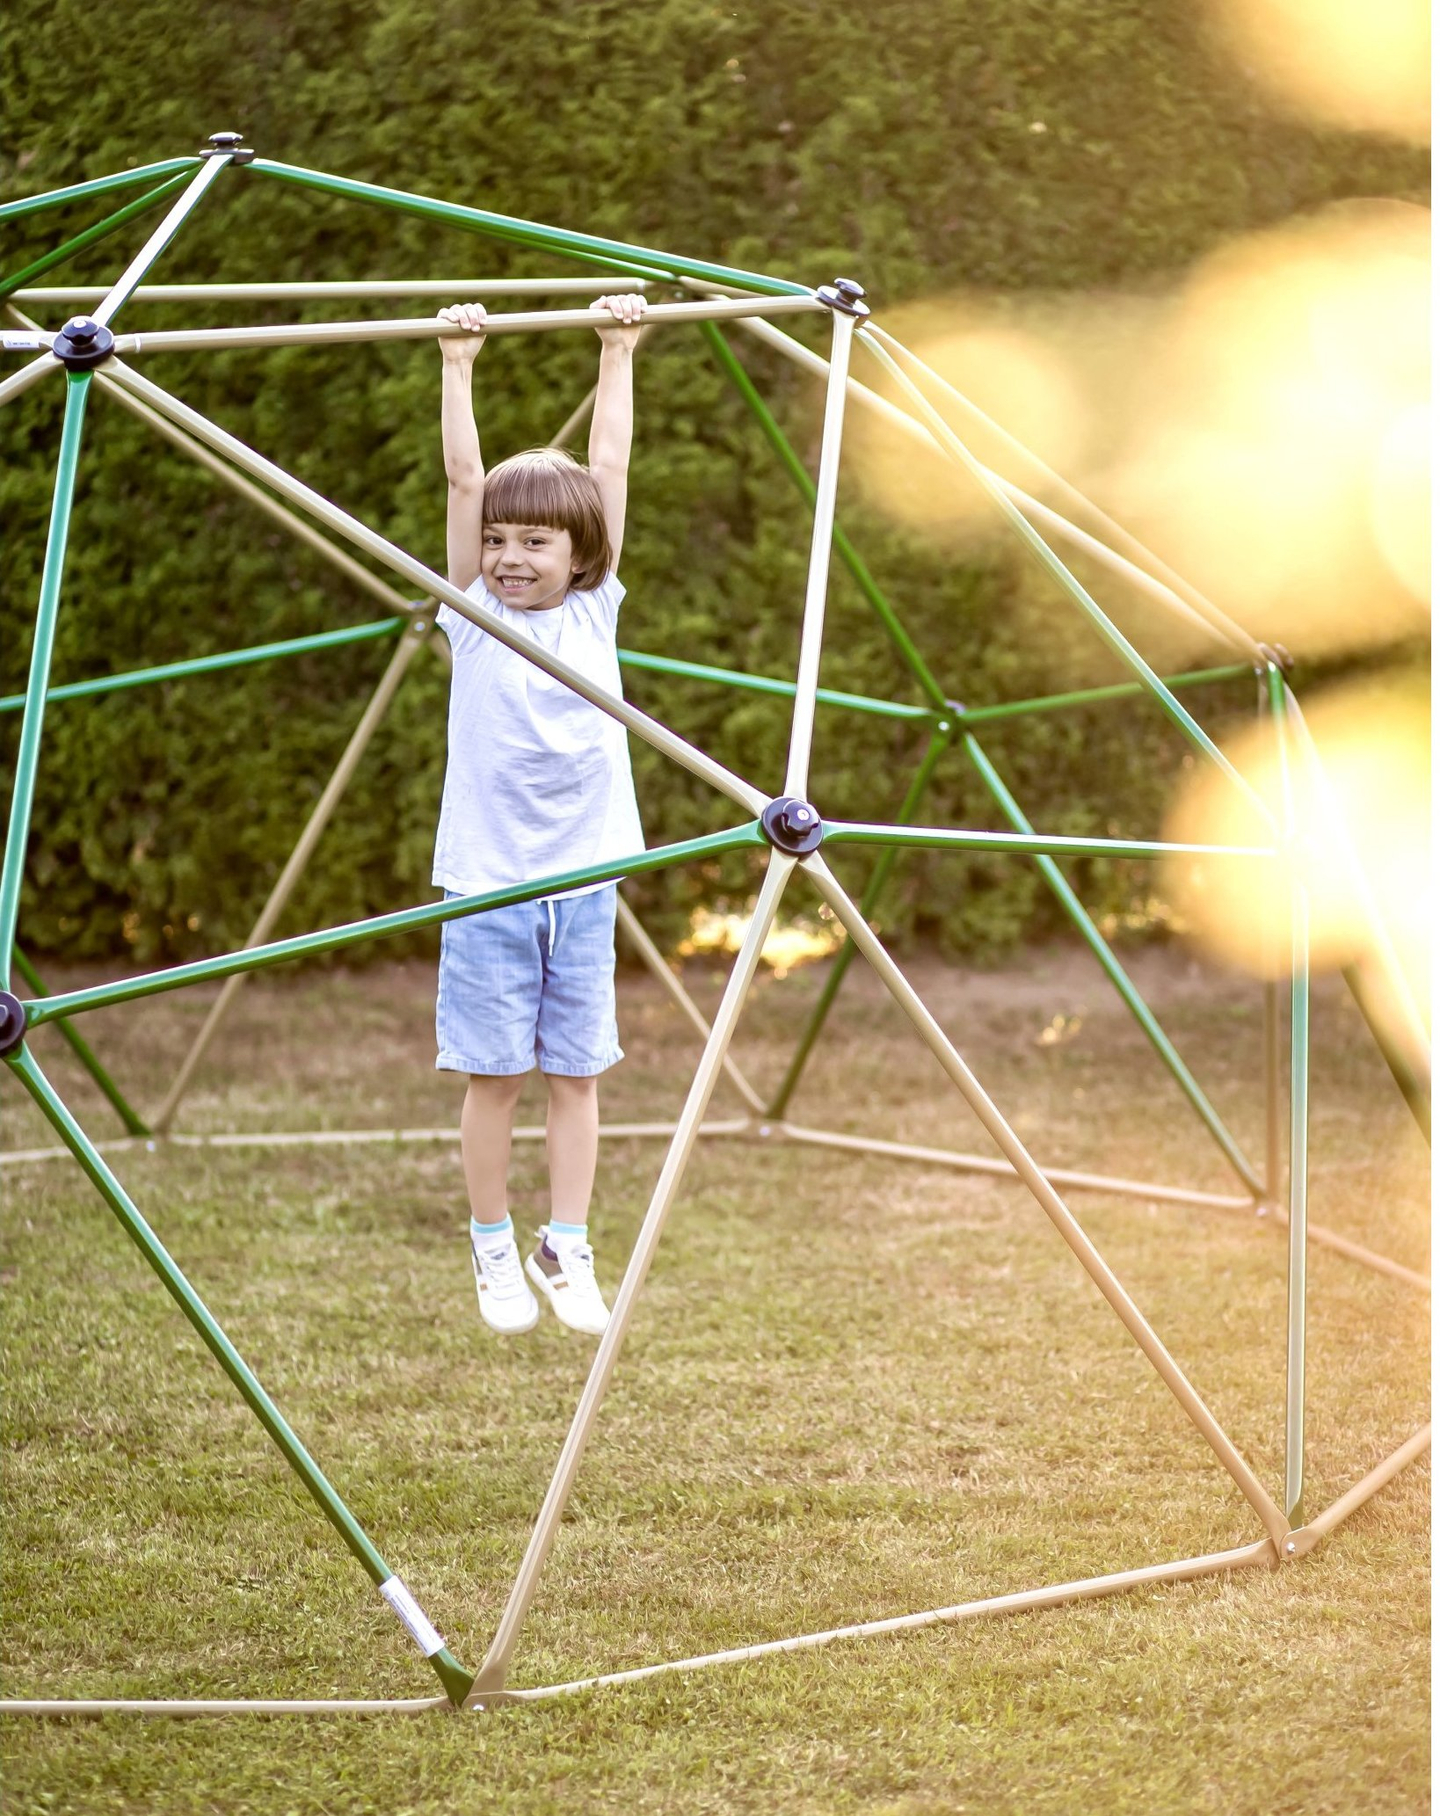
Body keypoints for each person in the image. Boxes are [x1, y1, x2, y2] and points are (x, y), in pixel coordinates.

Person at [433, 291, 647, 1337]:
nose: (513, 557)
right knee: (498, 1076)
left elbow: (606, 475)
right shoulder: (473, 618)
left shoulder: (594, 612)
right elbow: (464, 479)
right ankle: (489, 1245)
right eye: (500, 541)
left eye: (537, 543)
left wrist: (616, 351)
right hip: (489, 883)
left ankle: (568, 1243)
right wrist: (457, 363)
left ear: (580, 558)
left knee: (577, 1076)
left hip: (585, 880)